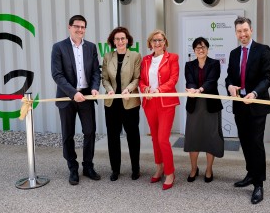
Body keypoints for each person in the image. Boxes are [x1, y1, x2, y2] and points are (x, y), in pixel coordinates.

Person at [225, 17, 270, 204]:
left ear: (251, 30)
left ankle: (259, 184)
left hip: (257, 104)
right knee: (245, 141)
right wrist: (230, 87)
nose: (242, 34)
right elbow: (230, 77)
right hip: (240, 105)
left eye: (245, 30)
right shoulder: (233, 53)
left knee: (256, 143)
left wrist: (254, 93)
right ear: (236, 33)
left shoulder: (263, 50)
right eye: (239, 31)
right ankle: (251, 174)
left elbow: (268, 77)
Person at [51, 14, 101, 185]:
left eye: (83, 27)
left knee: (89, 132)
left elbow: (96, 71)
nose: (80, 30)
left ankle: (88, 166)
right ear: (69, 27)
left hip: (86, 96)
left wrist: (95, 87)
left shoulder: (91, 48)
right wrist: (73, 93)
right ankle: (72, 167)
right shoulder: (59, 47)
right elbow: (57, 75)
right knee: (68, 134)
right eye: (77, 26)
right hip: (67, 97)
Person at [139, 29, 180, 190]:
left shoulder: (172, 58)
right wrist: (145, 89)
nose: (157, 43)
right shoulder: (146, 60)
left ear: (165, 42)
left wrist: (159, 90)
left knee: (163, 138)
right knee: (155, 138)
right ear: (150, 43)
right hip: (150, 103)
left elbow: (173, 79)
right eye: (154, 40)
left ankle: (170, 172)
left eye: (160, 40)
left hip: (166, 103)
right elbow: (141, 80)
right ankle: (159, 167)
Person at [102, 27, 142, 181]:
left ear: (127, 40)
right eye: (117, 39)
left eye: (122, 38)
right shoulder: (107, 56)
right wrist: (110, 89)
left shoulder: (135, 56)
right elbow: (104, 78)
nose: (120, 41)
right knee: (113, 137)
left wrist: (128, 90)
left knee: (133, 136)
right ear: (113, 41)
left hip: (129, 102)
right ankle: (115, 169)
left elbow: (137, 78)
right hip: (112, 103)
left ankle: (135, 168)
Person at [184, 37, 224, 183]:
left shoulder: (214, 63)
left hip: (211, 106)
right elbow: (189, 80)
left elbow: (212, 81)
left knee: (211, 138)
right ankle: (194, 168)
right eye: (197, 48)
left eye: (203, 47)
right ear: (194, 50)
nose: (200, 50)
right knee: (193, 137)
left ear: (207, 49)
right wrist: (193, 88)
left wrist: (200, 89)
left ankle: (209, 169)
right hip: (194, 106)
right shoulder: (189, 65)